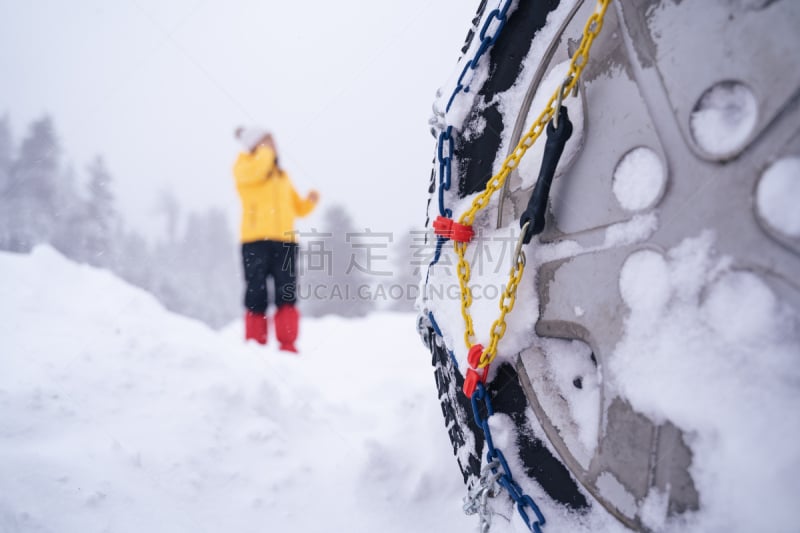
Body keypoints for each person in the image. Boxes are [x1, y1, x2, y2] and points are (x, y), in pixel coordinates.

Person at [233, 127, 319, 352]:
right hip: (255, 240)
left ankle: (288, 344)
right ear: (256, 145)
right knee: (256, 291)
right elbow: (258, 170)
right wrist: (265, 152)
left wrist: (309, 202)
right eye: (267, 141)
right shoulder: (244, 166)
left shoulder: (281, 176)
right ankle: (255, 344)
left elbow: (297, 208)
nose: (273, 145)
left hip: (285, 242)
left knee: (287, 292)